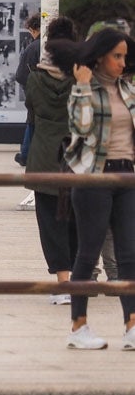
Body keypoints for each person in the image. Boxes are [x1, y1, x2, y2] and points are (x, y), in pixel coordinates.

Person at [55, 28, 135, 351]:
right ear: (100, 56)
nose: (122, 62)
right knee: (88, 254)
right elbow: (81, 129)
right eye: (117, 56)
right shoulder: (83, 89)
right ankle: (79, 326)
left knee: (130, 254)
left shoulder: (128, 89)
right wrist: (84, 85)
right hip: (93, 179)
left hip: (127, 177)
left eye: (125, 56)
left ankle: (131, 325)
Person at [24, 16, 81, 303]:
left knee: (50, 221)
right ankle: (82, 278)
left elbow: (31, 111)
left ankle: (62, 283)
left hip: (43, 156)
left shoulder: (34, 79)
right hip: (76, 155)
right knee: (76, 219)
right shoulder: (82, 81)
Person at [14, 13, 44, 165]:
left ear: (33, 29)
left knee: (32, 120)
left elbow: (20, 75)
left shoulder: (32, 47)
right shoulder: (49, 45)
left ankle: (26, 154)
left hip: (34, 91)